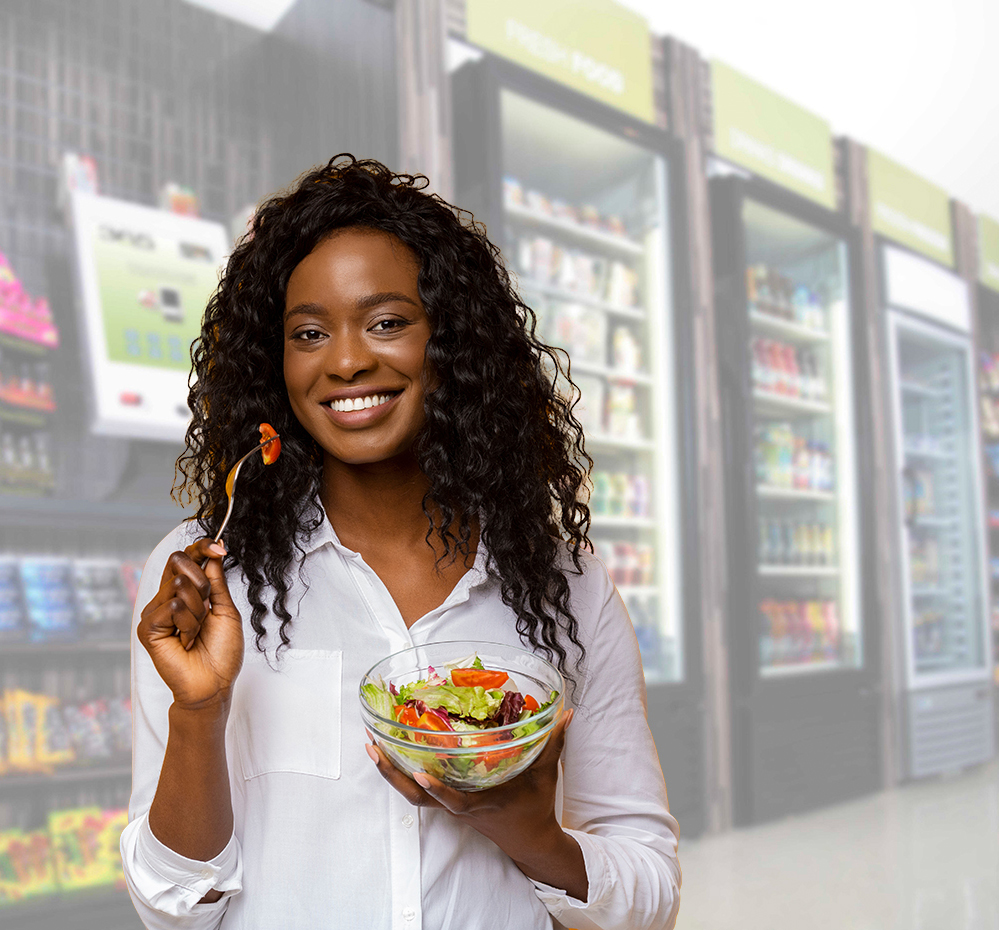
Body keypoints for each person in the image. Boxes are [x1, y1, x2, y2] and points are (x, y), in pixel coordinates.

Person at [121, 154, 681, 930]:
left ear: (453, 345)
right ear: (275, 366)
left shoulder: (564, 586)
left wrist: (527, 832)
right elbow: (171, 910)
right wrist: (200, 712)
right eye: (309, 332)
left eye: (387, 322)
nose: (347, 360)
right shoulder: (211, 580)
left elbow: (650, 894)